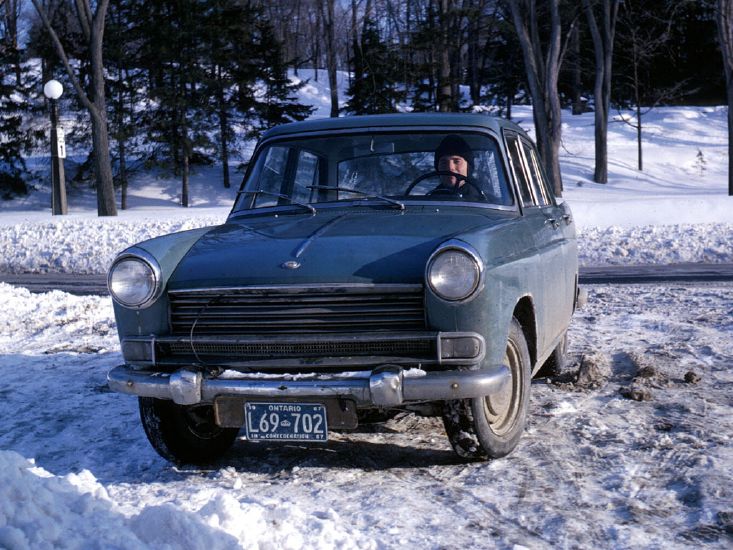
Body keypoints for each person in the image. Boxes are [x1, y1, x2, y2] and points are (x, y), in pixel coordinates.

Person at [429, 134, 483, 200]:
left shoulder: (486, 202)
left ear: (468, 167)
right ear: (438, 168)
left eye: (457, 161)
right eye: (444, 162)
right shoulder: (429, 201)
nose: (450, 168)